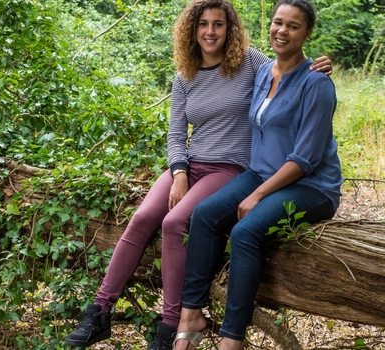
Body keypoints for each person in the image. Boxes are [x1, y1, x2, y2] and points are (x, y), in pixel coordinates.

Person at [64, 0, 332, 349]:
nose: (210, 32)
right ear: (191, 30)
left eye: (218, 24)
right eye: (203, 24)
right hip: (190, 165)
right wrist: (178, 172)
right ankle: (99, 311)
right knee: (142, 217)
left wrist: (320, 66)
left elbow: (289, 72)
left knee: (174, 223)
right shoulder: (184, 76)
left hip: (230, 166)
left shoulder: (251, 62)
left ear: (230, 29)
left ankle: (172, 323)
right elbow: (176, 134)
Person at [173, 0, 343, 349]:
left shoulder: (317, 85)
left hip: (311, 185)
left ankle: (232, 338)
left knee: (245, 231)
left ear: (307, 33)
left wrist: (258, 194)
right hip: (263, 173)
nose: (282, 31)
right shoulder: (264, 71)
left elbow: (305, 159)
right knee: (204, 214)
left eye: (293, 26)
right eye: (278, 22)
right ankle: (190, 314)